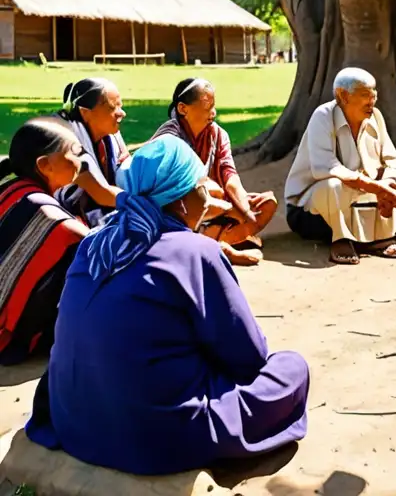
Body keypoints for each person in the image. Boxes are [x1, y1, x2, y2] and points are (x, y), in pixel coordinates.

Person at [26, 137, 309, 475]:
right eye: (200, 185)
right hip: (151, 437)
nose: (206, 194)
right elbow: (248, 357)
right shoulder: (196, 252)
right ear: (183, 200)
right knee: (291, 369)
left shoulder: (94, 243)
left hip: (73, 421)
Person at [285, 68, 396, 264]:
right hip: (312, 212)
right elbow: (326, 167)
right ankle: (340, 239)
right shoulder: (323, 116)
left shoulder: (376, 117)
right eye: (365, 95)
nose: (371, 100)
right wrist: (375, 187)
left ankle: (380, 237)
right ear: (342, 96)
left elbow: (392, 160)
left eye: (374, 94)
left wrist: (388, 183)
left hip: (365, 200)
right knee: (333, 185)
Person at [153, 78, 276, 267]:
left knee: (265, 204)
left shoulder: (218, 134)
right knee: (212, 192)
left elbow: (230, 175)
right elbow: (186, 189)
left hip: (211, 208)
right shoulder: (169, 138)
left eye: (214, 105)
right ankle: (221, 248)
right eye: (207, 106)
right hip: (177, 212)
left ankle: (219, 239)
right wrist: (230, 208)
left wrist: (244, 208)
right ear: (183, 109)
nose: (213, 112)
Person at [0, 119, 89, 365]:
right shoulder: (49, 217)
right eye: (73, 152)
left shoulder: (13, 190)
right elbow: (92, 244)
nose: (80, 161)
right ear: (44, 165)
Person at [55, 78, 131, 226]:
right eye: (112, 108)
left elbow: (127, 165)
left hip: (96, 212)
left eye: (120, 106)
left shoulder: (112, 134)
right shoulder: (68, 143)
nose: (121, 113)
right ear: (85, 112)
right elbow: (102, 193)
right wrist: (145, 203)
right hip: (64, 216)